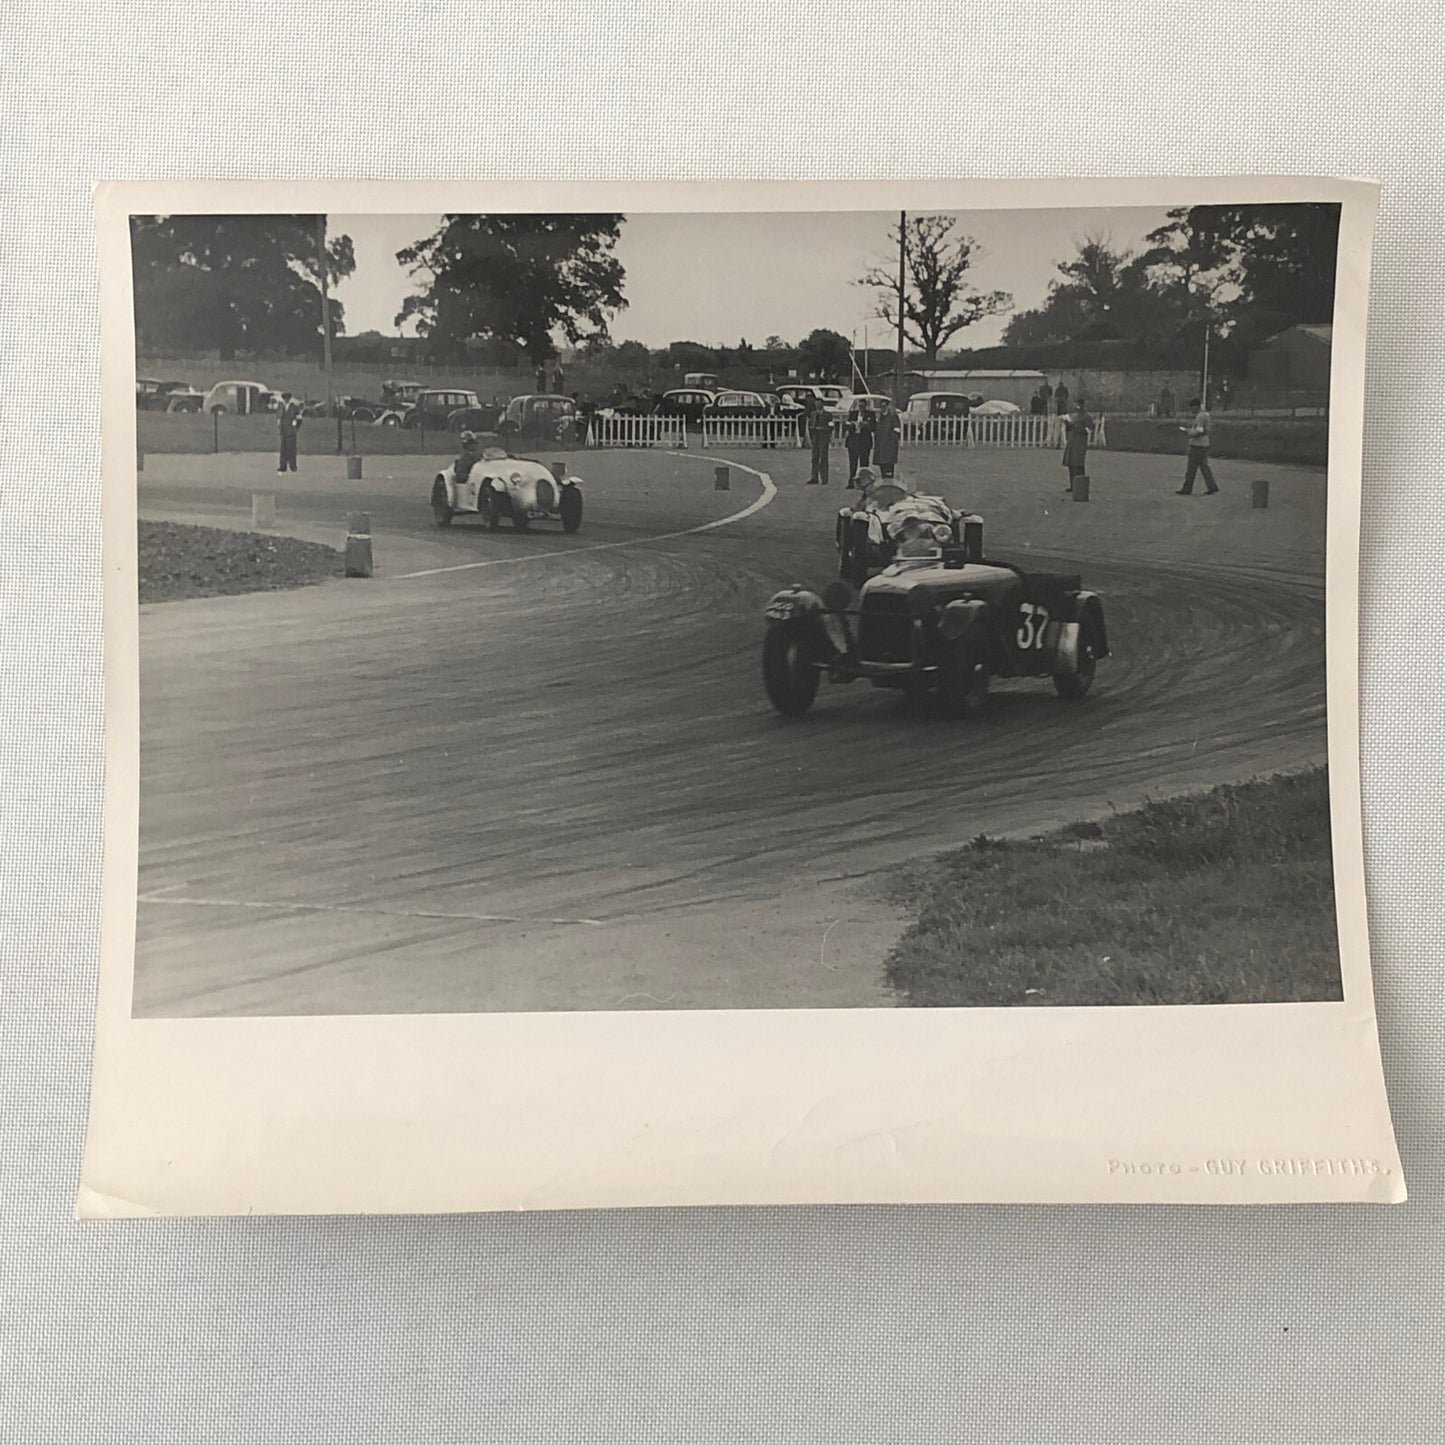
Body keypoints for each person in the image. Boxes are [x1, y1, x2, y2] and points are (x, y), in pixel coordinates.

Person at [1176, 397, 1219, 495]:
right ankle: (1212, 486)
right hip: (1204, 444)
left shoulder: (1200, 417)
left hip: (1197, 444)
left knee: (1191, 468)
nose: (1192, 410)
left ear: (1196, 407)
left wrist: (1188, 431)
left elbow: (1199, 431)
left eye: (1192, 408)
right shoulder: (1206, 415)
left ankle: (1187, 488)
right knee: (1204, 467)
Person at [1061, 399, 1093, 494]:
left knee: (1078, 465)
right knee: (1071, 464)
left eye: (1078, 405)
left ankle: (1079, 486)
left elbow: (1086, 431)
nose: (1076, 407)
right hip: (1072, 442)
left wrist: (1074, 426)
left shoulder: (1087, 417)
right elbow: (1070, 429)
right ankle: (1072, 485)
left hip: (1080, 444)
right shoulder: (1074, 416)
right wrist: (1068, 424)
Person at [806, 400, 833, 485]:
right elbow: (810, 425)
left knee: (823, 457)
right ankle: (814, 477)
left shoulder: (828, 415)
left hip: (823, 437)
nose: (818, 405)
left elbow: (831, 426)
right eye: (816, 403)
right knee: (814, 457)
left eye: (820, 403)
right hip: (815, 438)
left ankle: (824, 478)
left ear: (823, 404)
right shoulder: (813, 414)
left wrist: (823, 429)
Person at [874, 399, 901, 480]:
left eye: (884, 406)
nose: (882, 409)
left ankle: (889, 486)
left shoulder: (893, 417)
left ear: (888, 407)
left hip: (889, 450)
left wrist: (891, 443)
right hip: (880, 450)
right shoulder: (880, 418)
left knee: (889, 471)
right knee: (882, 469)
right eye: (881, 407)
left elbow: (897, 431)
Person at [275, 391, 302, 473]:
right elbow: (279, 418)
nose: (286, 400)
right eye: (285, 398)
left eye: (287, 398)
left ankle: (293, 466)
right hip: (283, 431)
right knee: (283, 450)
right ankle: (283, 466)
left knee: (291, 449)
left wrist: (295, 428)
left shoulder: (294, 407)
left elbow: (299, 419)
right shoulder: (281, 407)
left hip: (291, 431)